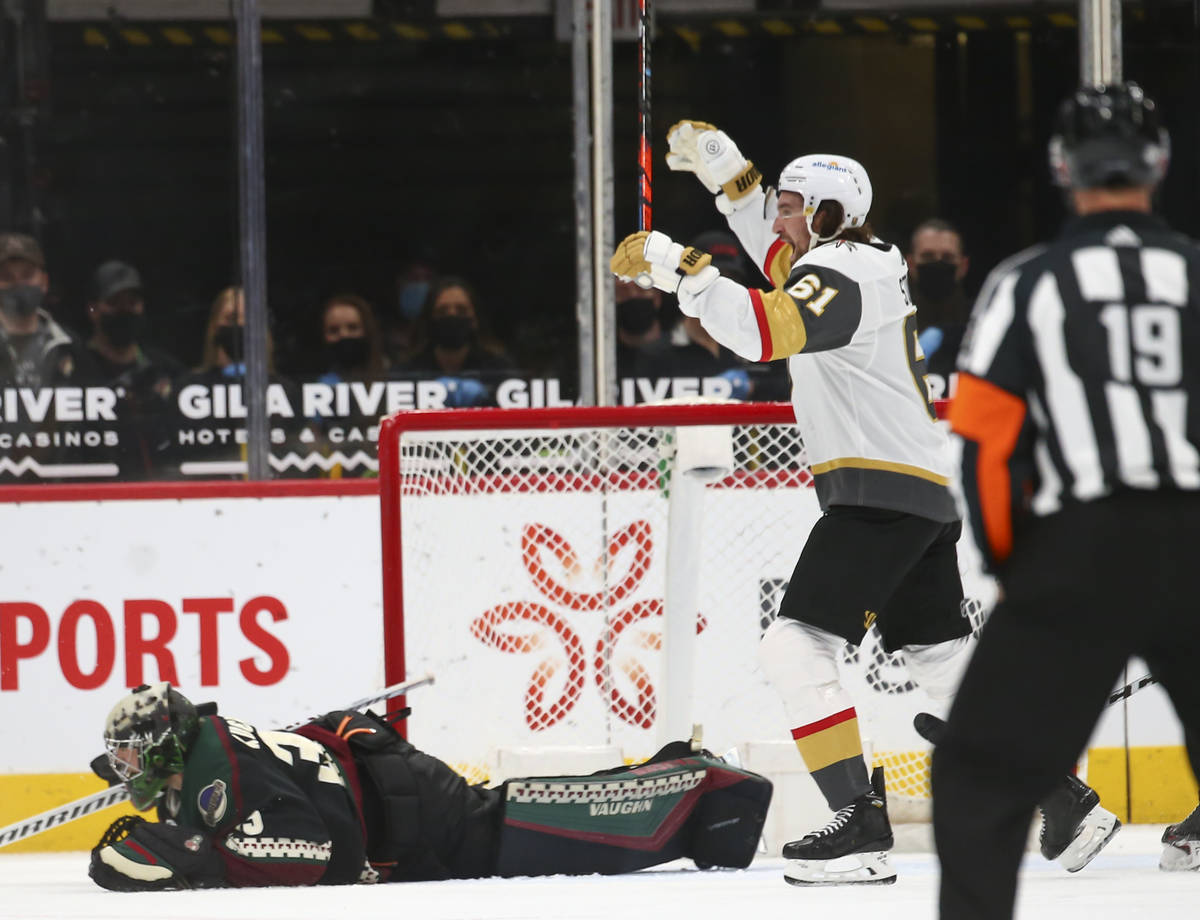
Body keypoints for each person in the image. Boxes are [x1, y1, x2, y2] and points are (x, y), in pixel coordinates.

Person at [613, 118, 1114, 886]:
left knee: (795, 647)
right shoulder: (852, 260)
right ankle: (1064, 798)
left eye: (788, 205)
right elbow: (781, 264)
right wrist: (731, 180)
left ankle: (857, 823)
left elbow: (768, 328)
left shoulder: (845, 271)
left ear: (825, 213)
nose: (778, 222)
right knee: (943, 662)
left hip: (879, 493)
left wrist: (686, 272)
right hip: (914, 491)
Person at [934, 82, 1200, 919]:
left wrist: (1016, 567)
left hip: (1080, 549)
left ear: (1061, 169)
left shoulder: (1029, 283)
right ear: (1157, 164)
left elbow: (984, 441)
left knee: (980, 777)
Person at [88, 682, 771, 890]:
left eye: (127, 757)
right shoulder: (209, 752)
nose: (123, 772)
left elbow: (310, 853)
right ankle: (677, 772)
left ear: (162, 746)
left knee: (524, 835)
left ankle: (698, 790)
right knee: (508, 819)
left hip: (408, 813)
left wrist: (206, 860)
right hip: (391, 792)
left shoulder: (214, 773)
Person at [75, 260, 184, 478]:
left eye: (132, 302)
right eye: (115, 303)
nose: (125, 311)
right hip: (92, 488)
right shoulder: (76, 367)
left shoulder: (164, 369)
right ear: (93, 309)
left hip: (157, 486)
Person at [394, 276, 519, 407]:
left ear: (475, 319)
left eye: (461, 310)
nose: (452, 315)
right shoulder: (406, 373)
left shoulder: (500, 370)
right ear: (430, 319)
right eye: (442, 311)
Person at [0, 232, 77, 387]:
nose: (18, 284)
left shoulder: (68, 344)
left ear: (44, 282)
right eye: (7, 276)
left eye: (27, 275)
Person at [906, 218, 971, 395]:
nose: (938, 263)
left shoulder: (982, 323)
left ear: (963, 266)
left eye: (947, 257)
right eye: (928, 257)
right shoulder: (891, 323)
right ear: (910, 264)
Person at [316, 292, 387, 382]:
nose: (344, 335)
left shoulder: (394, 377)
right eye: (334, 330)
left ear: (367, 330)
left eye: (353, 328)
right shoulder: (313, 383)